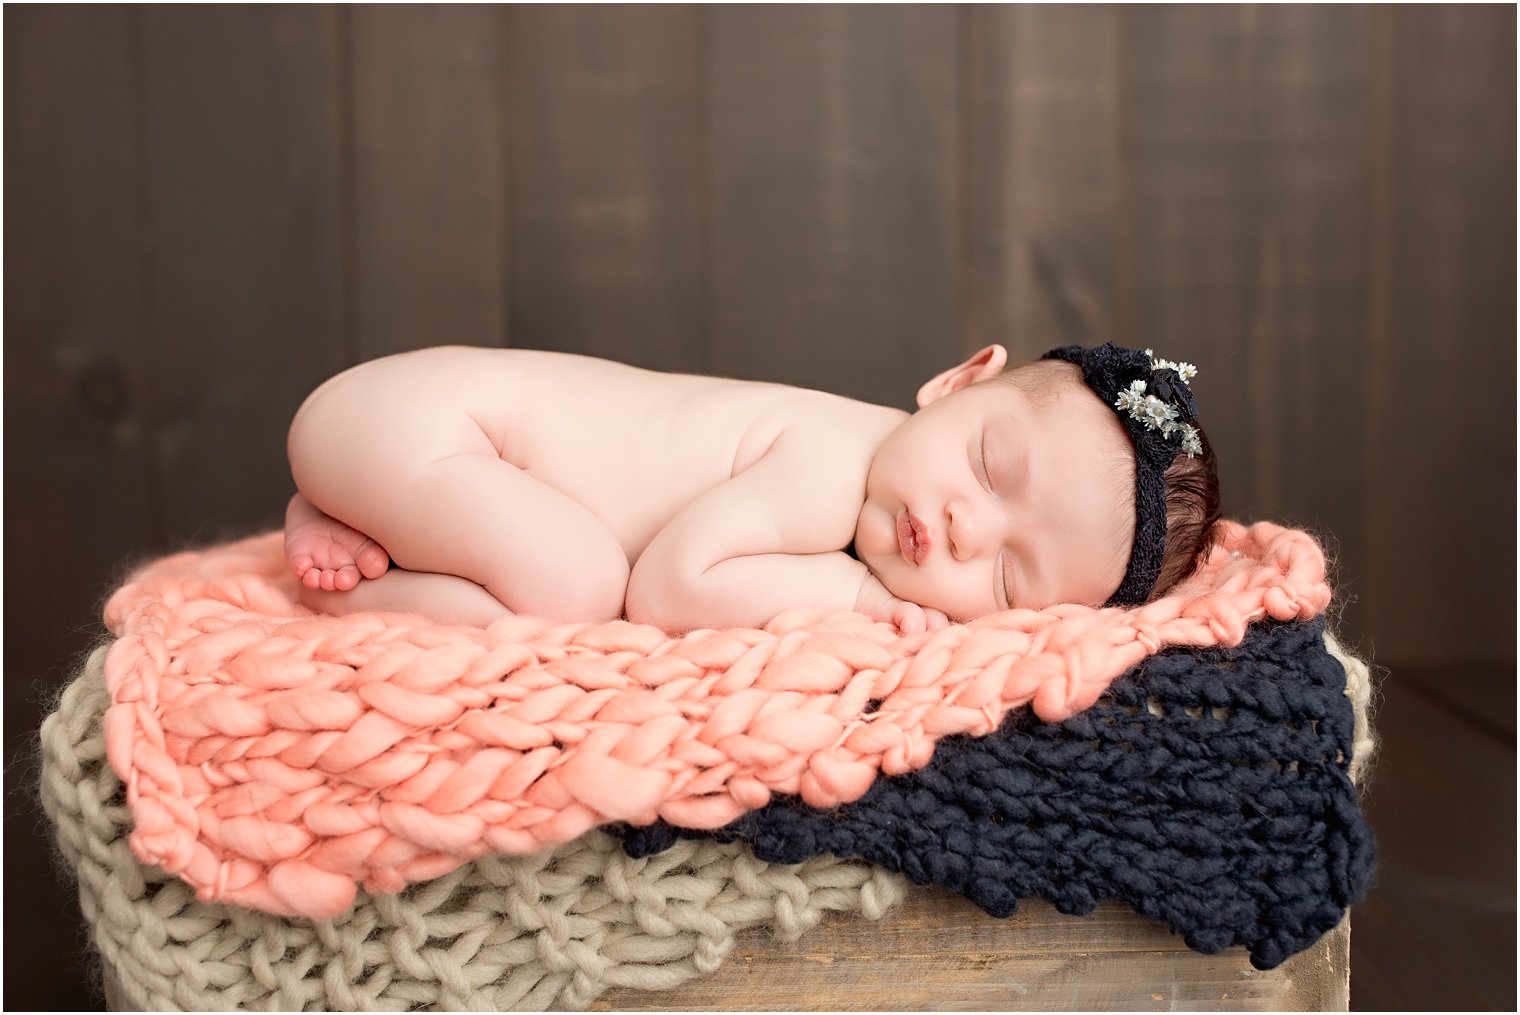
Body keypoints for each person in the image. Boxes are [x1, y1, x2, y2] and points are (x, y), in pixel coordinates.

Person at [284, 342, 1219, 633]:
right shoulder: (830, 463)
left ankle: (360, 514)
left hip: (405, 435)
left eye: (1010, 581)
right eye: (985, 466)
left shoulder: (876, 471)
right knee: (574, 588)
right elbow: (667, 588)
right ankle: (357, 584)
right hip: (419, 424)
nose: (968, 529)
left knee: (553, 559)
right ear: (958, 382)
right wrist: (853, 596)